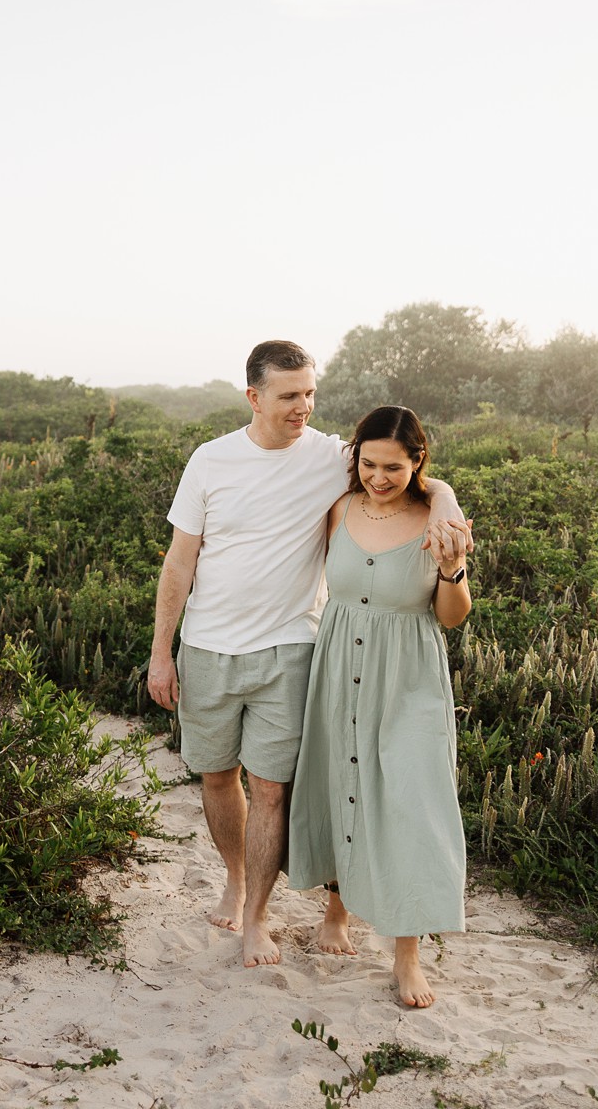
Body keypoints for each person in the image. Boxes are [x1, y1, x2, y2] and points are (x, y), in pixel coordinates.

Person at [147, 343, 471, 968]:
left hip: (291, 649)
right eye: (290, 395)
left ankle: (258, 918)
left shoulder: (332, 457)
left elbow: (406, 471)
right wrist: (163, 653)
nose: (303, 406)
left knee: (272, 790)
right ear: (255, 397)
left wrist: (449, 503)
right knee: (217, 778)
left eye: (310, 393)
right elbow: (179, 562)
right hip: (209, 647)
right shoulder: (209, 462)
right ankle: (237, 883)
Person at [286, 404, 471, 1008]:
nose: (379, 477)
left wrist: (452, 568)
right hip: (340, 668)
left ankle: (407, 957)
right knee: (344, 779)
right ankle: (337, 912)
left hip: (409, 677)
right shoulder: (339, 509)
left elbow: (452, 616)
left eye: (393, 466)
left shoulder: (436, 519)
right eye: (368, 463)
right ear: (355, 458)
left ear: (418, 462)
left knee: (410, 801)